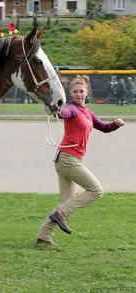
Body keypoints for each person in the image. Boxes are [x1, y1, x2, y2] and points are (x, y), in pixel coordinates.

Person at [36, 75, 125, 245]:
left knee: (66, 202)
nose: (78, 94)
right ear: (71, 94)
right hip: (67, 160)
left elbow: (104, 128)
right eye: (75, 91)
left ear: (87, 93)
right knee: (96, 190)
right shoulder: (72, 109)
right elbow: (63, 113)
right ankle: (59, 215)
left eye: (81, 91)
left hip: (68, 159)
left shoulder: (88, 112)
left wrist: (115, 124)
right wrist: (53, 109)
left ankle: (43, 237)